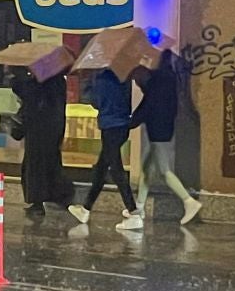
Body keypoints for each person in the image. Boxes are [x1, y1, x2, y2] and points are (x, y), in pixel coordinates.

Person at [130, 51, 201, 224]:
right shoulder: (167, 79)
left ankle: (189, 201)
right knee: (147, 169)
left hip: (158, 130)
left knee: (164, 170)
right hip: (163, 128)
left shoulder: (158, 81)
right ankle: (139, 207)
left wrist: (131, 122)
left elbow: (149, 105)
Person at [70, 68, 143, 232]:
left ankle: (133, 213)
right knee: (102, 167)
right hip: (122, 125)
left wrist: (87, 82)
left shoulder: (101, 80)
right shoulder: (123, 76)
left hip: (110, 126)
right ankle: (86, 209)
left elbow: (95, 101)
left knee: (116, 169)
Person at [10, 68, 72, 216]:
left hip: (38, 130)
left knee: (35, 166)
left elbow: (27, 94)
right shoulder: (59, 82)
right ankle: (57, 196)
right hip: (53, 130)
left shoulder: (42, 83)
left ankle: (38, 201)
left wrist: (15, 76)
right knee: (51, 163)